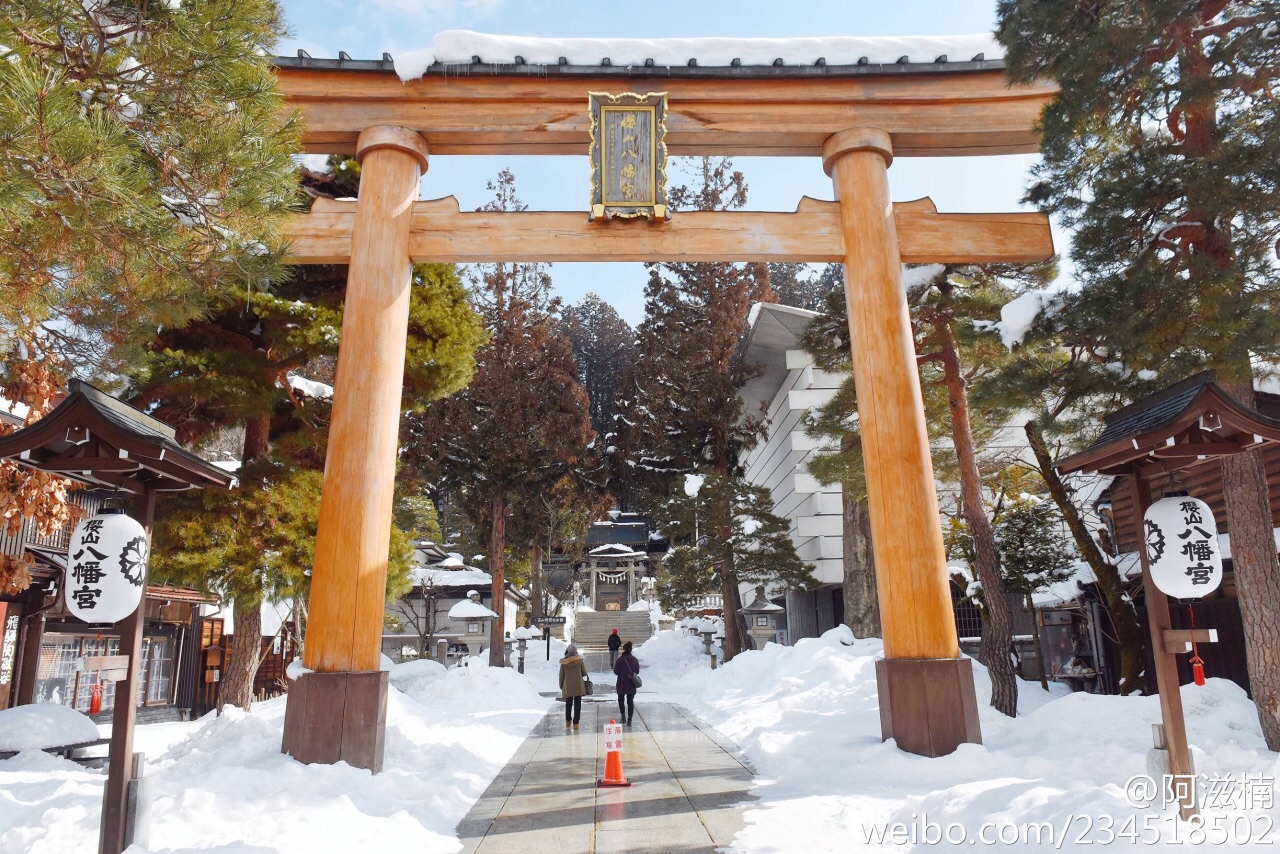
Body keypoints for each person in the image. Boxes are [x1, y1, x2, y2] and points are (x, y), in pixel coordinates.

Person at [558, 642, 589, 730]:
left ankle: (568, 721)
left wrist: (561, 686)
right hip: (578, 685)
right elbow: (584, 672)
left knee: (568, 703)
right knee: (577, 704)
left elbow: (561, 676)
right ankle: (576, 723)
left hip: (567, 686)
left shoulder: (564, 662)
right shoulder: (579, 660)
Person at [612, 640, 640, 726]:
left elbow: (616, 671)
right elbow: (637, 671)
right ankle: (630, 719)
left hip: (621, 683)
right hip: (631, 684)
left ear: (624, 649)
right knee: (630, 701)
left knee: (621, 700)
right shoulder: (635, 660)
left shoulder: (620, 660)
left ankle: (623, 716)